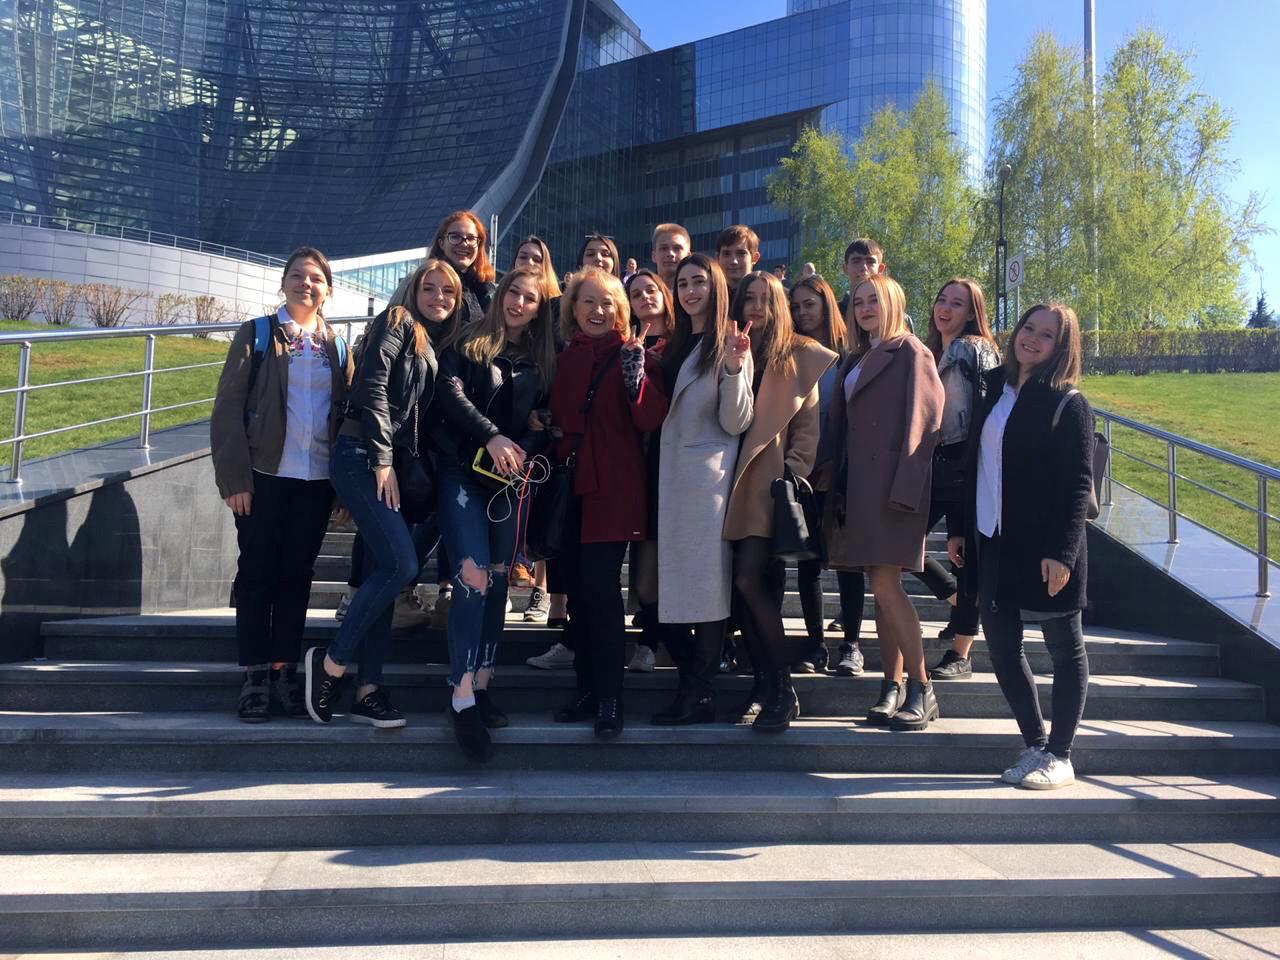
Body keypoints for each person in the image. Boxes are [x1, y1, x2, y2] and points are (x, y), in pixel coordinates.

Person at [301, 259, 453, 731]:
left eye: (448, 291)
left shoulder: (430, 341)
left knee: (381, 570)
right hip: (363, 455)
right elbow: (373, 387)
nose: (439, 297)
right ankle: (330, 662)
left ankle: (368, 689)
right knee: (401, 565)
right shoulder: (398, 320)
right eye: (429, 288)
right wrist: (383, 460)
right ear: (412, 291)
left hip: (386, 464)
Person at [951, 303, 1094, 790]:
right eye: (1028, 328)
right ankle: (1036, 745)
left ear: (1062, 347)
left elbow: (1078, 484)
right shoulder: (993, 387)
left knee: (1064, 648)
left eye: (1046, 335)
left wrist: (1063, 552)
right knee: (1002, 648)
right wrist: (960, 528)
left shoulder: (1067, 403)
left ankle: (1061, 754)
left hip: (1045, 546)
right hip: (991, 538)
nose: (1032, 338)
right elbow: (973, 464)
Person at [212, 247, 353, 723]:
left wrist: (343, 489)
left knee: (297, 577)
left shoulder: (336, 346)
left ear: (327, 290)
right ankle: (254, 676)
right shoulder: (256, 334)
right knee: (256, 574)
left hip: (315, 481)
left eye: (315, 278)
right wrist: (235, 479)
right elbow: (227, 409)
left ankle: (283, 672)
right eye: (297, 275)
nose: (305, 284)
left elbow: (347, 419)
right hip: (262, 478)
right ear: (284, 283)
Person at [432, 266, 557, 761]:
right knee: (472, 577)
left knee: (500, 579)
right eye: (513, 293)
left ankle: (482, 684)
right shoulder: (467, 342)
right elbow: (449, 394)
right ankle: (461, 693)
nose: (518, 303)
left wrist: (523, 449)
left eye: (530, 298)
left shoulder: (542, 360)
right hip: (462, 471)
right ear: (501, 293)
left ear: (540, 308)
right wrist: (492, 436)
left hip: (510, 481)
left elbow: (546, 420)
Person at [549, 268, 668, 739]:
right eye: (588, 302)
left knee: (600, 593)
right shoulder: (566, 358)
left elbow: (651, 418)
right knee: (578, 595)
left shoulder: (634, 354)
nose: (598, 311)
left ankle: (609, 698)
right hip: (570, 489)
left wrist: (636, 374)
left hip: (613, 492)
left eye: (607, 303)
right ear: (573, 308)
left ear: (620, 310)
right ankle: (585, 690)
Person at [826, 274, 944, 731]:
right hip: (859, 488)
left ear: (894, 301)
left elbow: (926, 423)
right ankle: (891, 686)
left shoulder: (911, 350)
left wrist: (906, 490)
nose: (865, 308)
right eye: (858, 301)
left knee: (886, 586)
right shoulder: (856, 355)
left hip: (893, 488)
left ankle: (921, 687)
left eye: (874, 299)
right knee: (881, 589)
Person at [723, 271, 836, 732]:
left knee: (749, 580)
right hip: (725, 482)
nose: (756, 306)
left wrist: (791, 473)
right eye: (748, 298)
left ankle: (783, 688)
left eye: (765, 298)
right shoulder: (728, 347)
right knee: (748, 590)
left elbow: (808, 428)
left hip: (768, 485)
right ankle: (764, 686)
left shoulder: (800, 355)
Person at [650, 254, 754, 725]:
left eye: (699, 282)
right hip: (664, 478)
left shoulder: (729, 342)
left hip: (704, 483)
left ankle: (695, 692)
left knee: (708, 594)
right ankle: (698, 680)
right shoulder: (673, 343)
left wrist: (734, 367)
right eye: (683, 283)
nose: (690, 291)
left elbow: (736, 421)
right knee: (651, 593)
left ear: (716, 289)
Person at [919, 279, 1001, 681]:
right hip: (942, 463)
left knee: (965, 559)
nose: (945, 309)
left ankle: (962, 650)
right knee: (906, 543)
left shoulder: (970, 348)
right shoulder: (936, 351)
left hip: (965, 462)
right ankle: (957, 601)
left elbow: (974, 415)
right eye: (941, 300)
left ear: (972, 313)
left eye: (957, 303)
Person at [787, 274, 864, 677]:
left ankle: (851, 644)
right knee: (808, 563)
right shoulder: (792, 352)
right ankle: (815, 643)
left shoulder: (848, 354)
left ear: (826, 305)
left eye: (809, 305)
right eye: (796, 306)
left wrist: (837, 464)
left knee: (848, 563)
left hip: (843, 473)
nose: (802, 312)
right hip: (802, 474)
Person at [624, 268, 677, 673]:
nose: (644, 297)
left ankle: (658, 643)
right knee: (644, 575)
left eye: (651, 290)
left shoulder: (682, 343)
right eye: (636, 293)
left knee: (665, 568)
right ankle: (653, 638)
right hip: (633, 465)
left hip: (675, 464)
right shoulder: (624, 342)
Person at [427, 210, 497, 330]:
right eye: (455, 237)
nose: (464, 244)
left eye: (471, 238)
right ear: (441, 243)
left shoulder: (486, 290)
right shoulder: (421, 281)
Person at [715, 224, 761, 288]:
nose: (734, 261)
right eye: (726, 254)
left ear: (754, 258)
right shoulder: (706, 293)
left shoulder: (768, 292)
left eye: (741, 254)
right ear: (717, 258)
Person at [651, 223, 691, 292]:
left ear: (688, 256)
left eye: (677, 248)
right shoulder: (641, 295)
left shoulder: (701, 295)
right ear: (654, 256)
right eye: (664, 248)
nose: (670, 254)